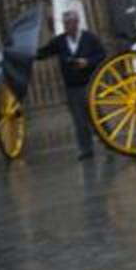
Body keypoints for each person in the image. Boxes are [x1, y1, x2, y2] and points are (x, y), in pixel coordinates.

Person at [36, 10, 106, 159]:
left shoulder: (89, 38)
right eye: (66, 23)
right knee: (79, 119)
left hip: (89, 83)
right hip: (72, 86)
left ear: (77, 22)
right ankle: (86, 149)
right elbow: (44, 53)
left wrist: (87, 62)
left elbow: (101, 55)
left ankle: (107, 140)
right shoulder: (60, 41)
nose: (69, 26)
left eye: (71, 22)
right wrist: (29, 53)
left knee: (95, 114)